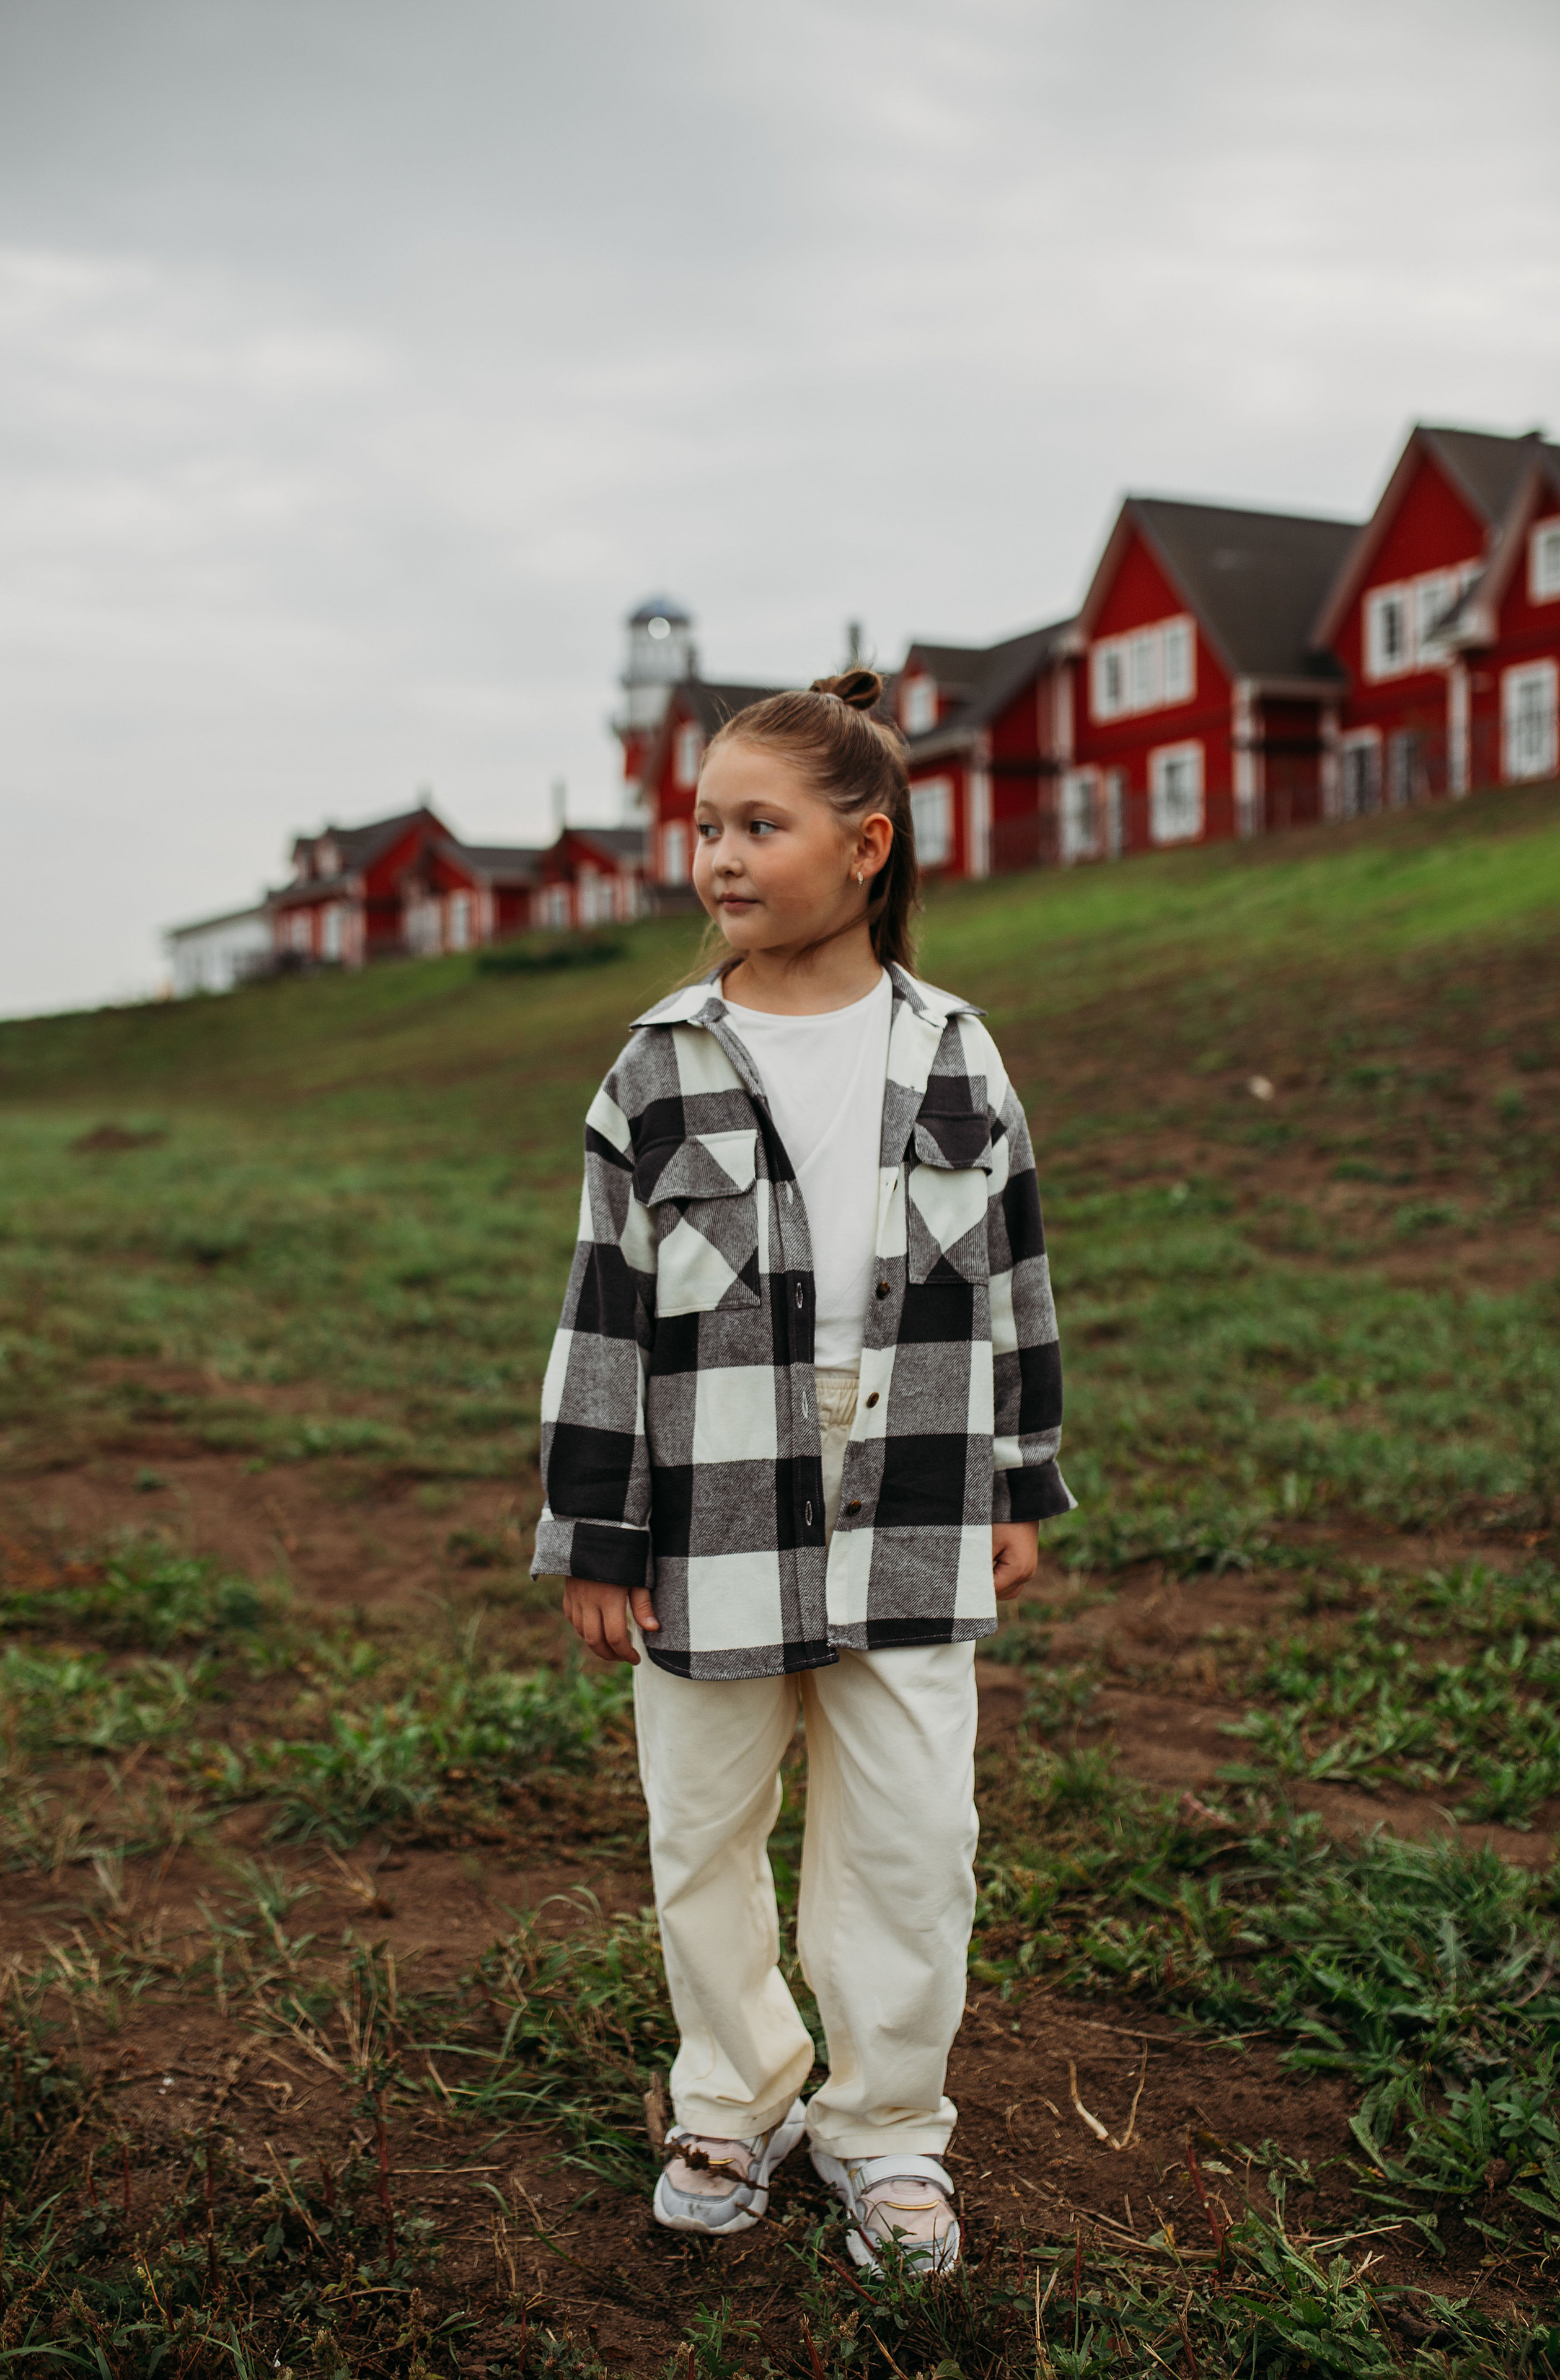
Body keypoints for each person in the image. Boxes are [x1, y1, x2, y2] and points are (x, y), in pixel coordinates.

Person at [531, 669, 1072, 2273]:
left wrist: (1020, 1477)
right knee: (703, 1825)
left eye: (758, 825)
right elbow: (603, 1311)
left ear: (867, 845)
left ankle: (888, 2129)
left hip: (913, 1484)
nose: (719, 856)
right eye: (705, 826)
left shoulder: (959, 1056)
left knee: (912, 1836)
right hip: (706, 1495)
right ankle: (733, 2096)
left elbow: (1016, 1282)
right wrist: (597, 1526)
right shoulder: (656, 1067)